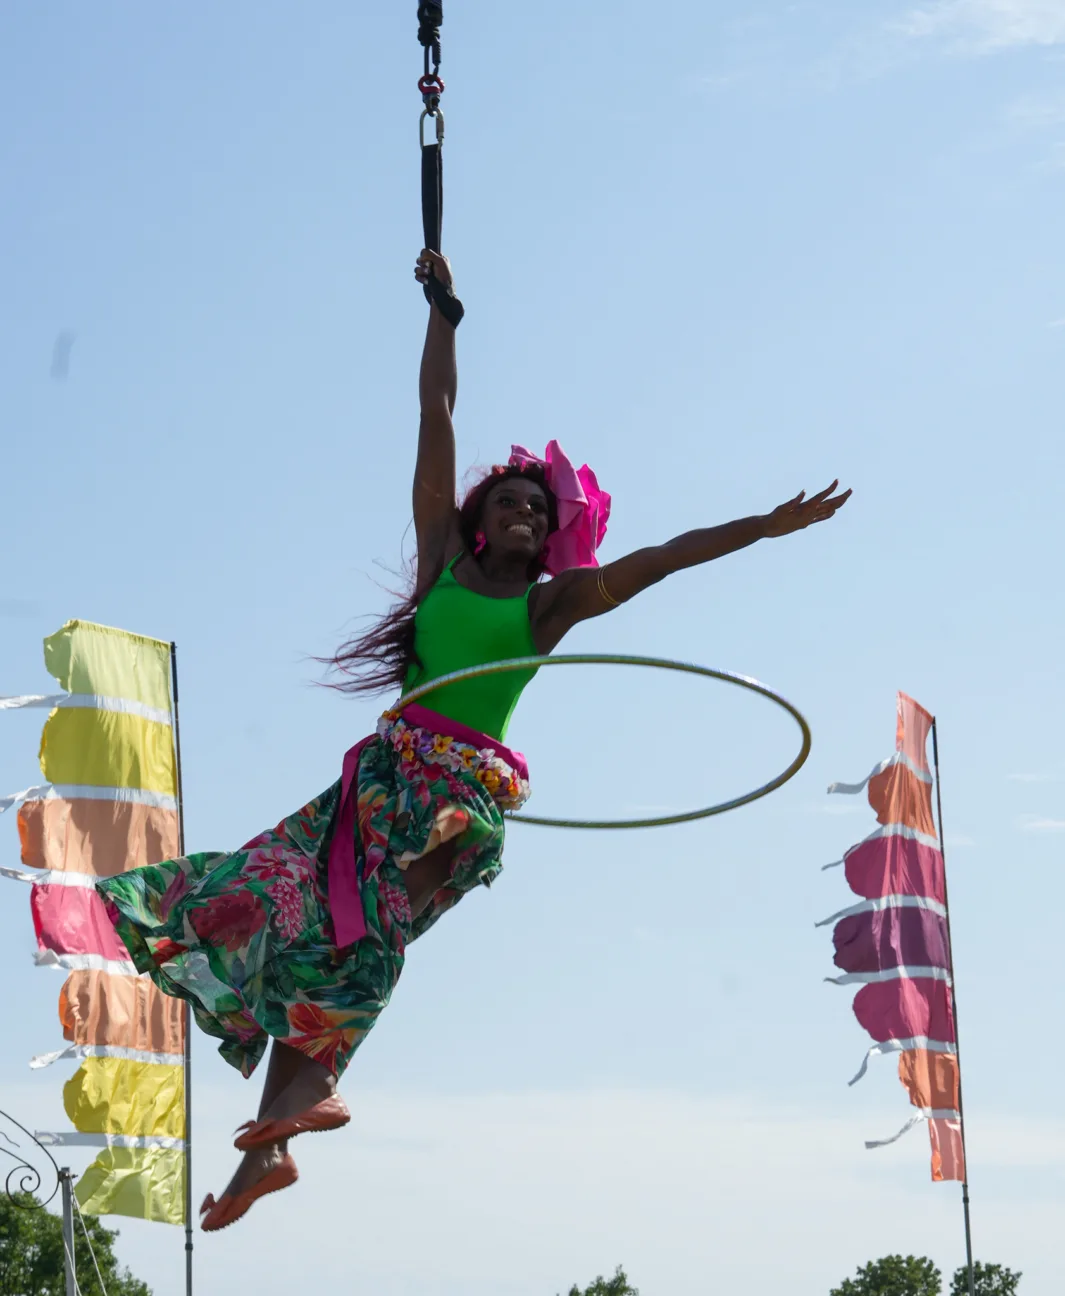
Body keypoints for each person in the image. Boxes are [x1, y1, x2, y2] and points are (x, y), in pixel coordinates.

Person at [97, 250, 850, 1231]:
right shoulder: (442, 561)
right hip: (372, 790)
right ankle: (270, 1145)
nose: (527, 514)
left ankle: (296, 1112)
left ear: (551, 535)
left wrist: (762, 525)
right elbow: (436, 419)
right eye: (511, 502)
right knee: (306, 932)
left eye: (541, 509)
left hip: (457, 803)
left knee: (371, 928)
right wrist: (443, 314)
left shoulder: (552, 609)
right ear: (480, 519)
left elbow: (660, 560)